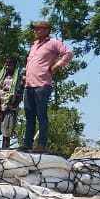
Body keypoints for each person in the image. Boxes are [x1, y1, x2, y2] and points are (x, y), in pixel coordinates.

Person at [22, 20, 73, 152]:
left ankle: (41, 144)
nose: (35, 31)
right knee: (29, 116)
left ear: (46, 30)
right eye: (35, 29)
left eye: (38, 29)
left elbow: (68, 53)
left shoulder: (53, 43)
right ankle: (27, 143)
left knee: (41, 115)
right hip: (29, 85)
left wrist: (56, 65)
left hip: (42, 84)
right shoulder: (34, 45)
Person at [0, 57, 22, 149]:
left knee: (6, 133)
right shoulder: (2, 76)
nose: (8, 66)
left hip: (9, 109)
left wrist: (11, 105)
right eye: (6, 64)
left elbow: (19, 94)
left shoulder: (18, 79)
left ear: (14, 66)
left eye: (10, 64)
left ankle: (5, 151)